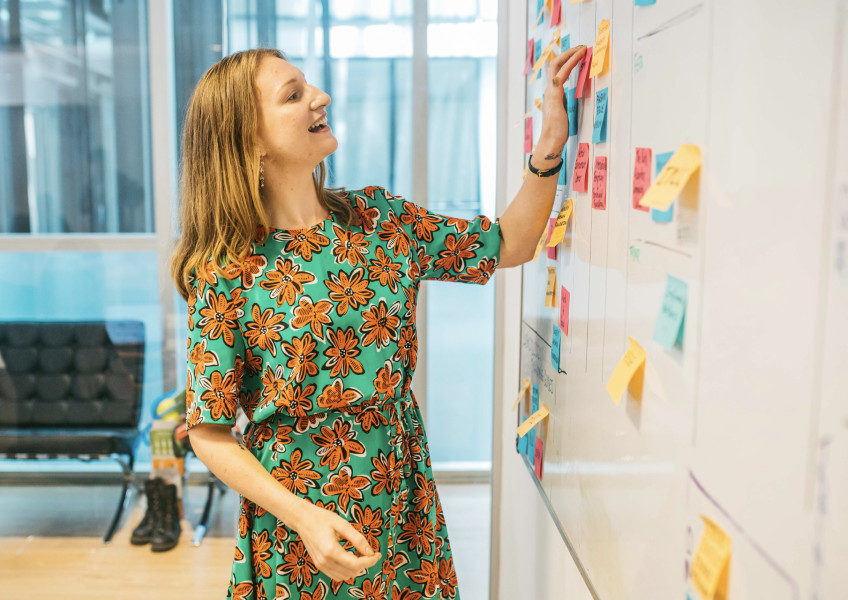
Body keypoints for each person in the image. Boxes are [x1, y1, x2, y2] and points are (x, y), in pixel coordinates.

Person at [169, 44, 585, 599]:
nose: (321, 98)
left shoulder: (378, 220)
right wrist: (304, 519)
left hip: (402, 492)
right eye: (293, 95)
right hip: (301, 520)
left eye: (309, 86)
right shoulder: (225, 268)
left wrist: (550, 146)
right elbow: (209, 433)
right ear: (249, 142)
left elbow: (508, 243)